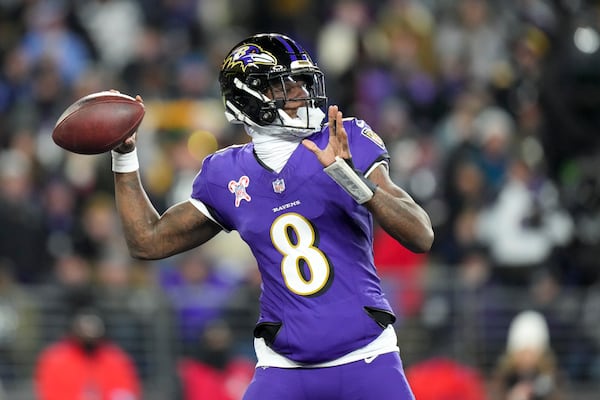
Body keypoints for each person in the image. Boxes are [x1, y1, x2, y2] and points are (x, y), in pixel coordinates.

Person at [110, 33, 433, 399]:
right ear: (246, 98)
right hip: (285, 368)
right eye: (283, 84)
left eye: (300, 80)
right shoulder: (226, 173)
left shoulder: (344, 138)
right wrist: (124, 157)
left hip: (368, 356)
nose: (299, 92)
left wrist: (353, 181)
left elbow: (420, 234)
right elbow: (147, 241)